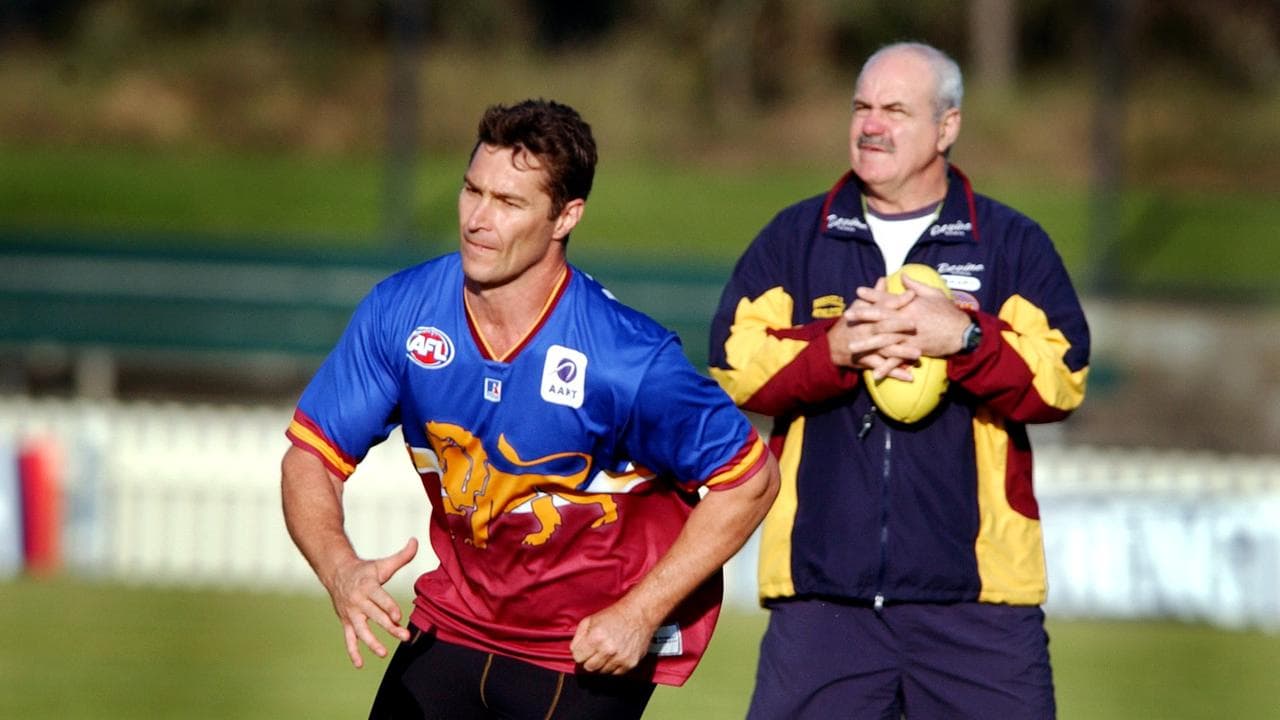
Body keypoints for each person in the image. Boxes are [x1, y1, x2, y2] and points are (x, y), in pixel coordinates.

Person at [281, 98, 779, 719]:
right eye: (472, 191)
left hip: (584, 650)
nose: (478, 220)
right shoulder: (399, 311)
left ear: (565, 216)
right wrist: (340, 570)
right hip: (454, 620)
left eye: (509, 203)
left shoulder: (628, 358)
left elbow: (750, 480)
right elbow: (311, 459)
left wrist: (640, 613)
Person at [708, 42, 1090, 719]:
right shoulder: (798, 236)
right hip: (823, 600)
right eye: (861, 107)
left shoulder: (1008, 243)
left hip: (978, 607)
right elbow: (734, 363)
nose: (871, 124)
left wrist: (966, 339)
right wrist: (837, 349)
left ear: (948, 127)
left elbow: (1064, 376)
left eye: (895, 110)